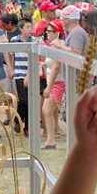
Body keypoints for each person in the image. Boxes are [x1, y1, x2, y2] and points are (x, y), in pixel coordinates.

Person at [41, 20, 68, 148]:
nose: (47, 33)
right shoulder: (54, 45)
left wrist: (48, 87)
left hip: (57, 83)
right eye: (47, 31)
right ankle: (51, 138)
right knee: (47, 111)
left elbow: (56, 67)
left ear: (57, 33)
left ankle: (51, 138)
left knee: (48, 111)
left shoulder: (58, 45)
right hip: (54, 82)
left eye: (50, 31)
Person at [7, 17, 35, 135]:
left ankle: (26, 126)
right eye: (27, 27)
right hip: (19, 73)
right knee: (23, 100)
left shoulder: (34, 40)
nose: (30, 30)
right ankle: (19, 122)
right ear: (21, 28)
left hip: (31, 73)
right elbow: (11, 55)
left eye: (31, 27)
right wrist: (11, 69)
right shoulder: (14, 40)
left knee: (30, 100)